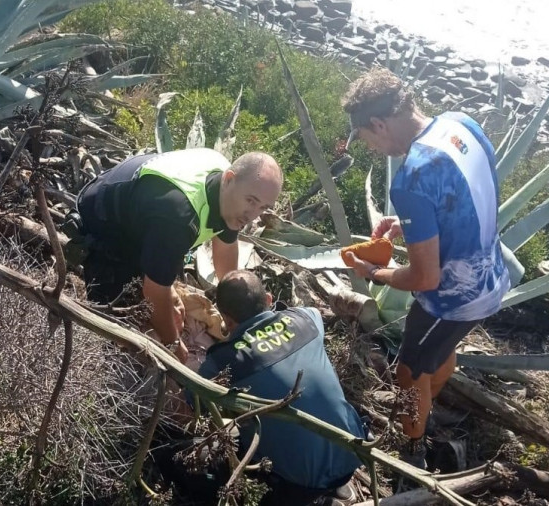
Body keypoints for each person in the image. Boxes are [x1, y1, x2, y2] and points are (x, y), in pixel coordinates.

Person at [341, 68, 510, 472]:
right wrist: (411, 226)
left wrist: (373, 273)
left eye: (366, 138)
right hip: (494, 278)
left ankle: (409, 446)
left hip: (454, 298)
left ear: (379, 124)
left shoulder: (412, 176)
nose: (372, 148)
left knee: (408, 369)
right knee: (438, 351)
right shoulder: (460, 124)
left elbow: (424, 279)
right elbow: (465, 194)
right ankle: (424, 409)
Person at [74, 148, 282, 363]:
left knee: (164, 297)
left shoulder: (229, 196)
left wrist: (238, 312)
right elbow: (154, 290)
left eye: (263, 207)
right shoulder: (178, 217)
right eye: (251, 201)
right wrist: (173, 344)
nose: (253, 215)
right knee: (115, 328)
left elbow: (227, 248)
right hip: (105, 221)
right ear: (229, 179)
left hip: (146, 216)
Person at [198, 270, 366, 505]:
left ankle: (314, 499)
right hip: (353, 452)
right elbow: (311, 313)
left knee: (198, 458)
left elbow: (192, 406)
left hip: (297, 484)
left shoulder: (221, 362)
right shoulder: (306, 318)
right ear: (268, 299)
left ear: (226, 318)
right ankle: (336, 487)